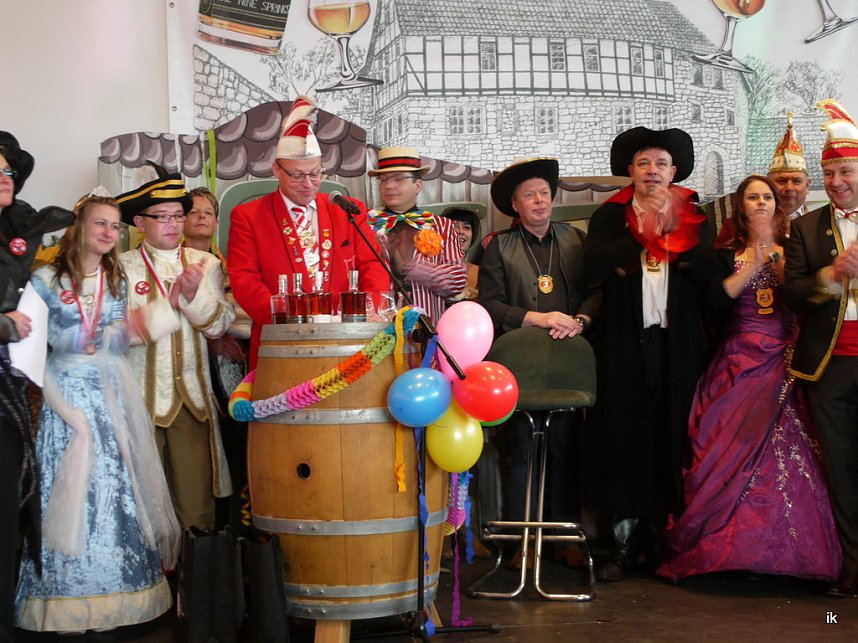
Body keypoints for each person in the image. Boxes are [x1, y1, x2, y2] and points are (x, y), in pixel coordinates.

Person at [657, 175, 841, 583]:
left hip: (786, 358)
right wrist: (754, 258)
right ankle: (728, 549)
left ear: (779, 204)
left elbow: (800, 296)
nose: (761, 203)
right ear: (740, 206)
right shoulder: (725, 252)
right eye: (753, 197)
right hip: (738, 357)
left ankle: (789, 552)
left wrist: (775, 256)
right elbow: (718, 299)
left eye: (767, 197)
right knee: (720, 444)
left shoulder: (796, 248)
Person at [15, 191, 180, 634]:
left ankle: (122, 597)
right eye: (100, 224)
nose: (108, 233)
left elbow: (118, 338)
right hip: (64, 394)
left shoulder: (117, 280)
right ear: (80, 228)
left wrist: (169, 307)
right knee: (63, 484)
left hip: (108, 393)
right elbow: (26, 345)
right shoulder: (45, 280)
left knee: (115, 489)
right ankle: (59, 599)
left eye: (114, 226)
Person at [583, 127, 719, 581]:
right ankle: (622, 545)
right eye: (644, 164)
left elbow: (708, 275)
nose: (652, 172)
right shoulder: (610, 216)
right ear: (631, 171)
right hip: (623, 345)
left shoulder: (694, 215)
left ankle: (667, 543)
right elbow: (594, 266)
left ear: (674, 172)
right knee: (623, 439)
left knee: (672, 438)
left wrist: (676, 239)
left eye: (661, 164)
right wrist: (643, 234)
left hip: (675, 346)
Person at [478, 157, 599, 569]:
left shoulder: (575, 240)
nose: (539, 201)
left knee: (566, 447)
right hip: (517, 362)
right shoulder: (498, 247)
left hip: (566, 361)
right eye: (529, 195)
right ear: (515, 205)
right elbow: (489, 305)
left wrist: (581, 320)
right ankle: (517, 542)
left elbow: (596, 292)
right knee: (519, 451)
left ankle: (564, 538)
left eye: (544, 193)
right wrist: (538, 318)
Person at [228, 95, 389, 367]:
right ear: (276, 170)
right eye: (296, 175)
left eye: (315, 174)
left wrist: (367, 310)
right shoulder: (249, 216)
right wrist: (289, 319)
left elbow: (372, 264)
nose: (308, 184)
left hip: (346, 340)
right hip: (280, 341)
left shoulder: (348, 210)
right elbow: (244, 280)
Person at [117, 167, 235, 531]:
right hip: (138, 402)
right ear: (139, 221)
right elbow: (116, 336)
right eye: (161, 217)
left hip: (193, 403)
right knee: (143, 504)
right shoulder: (121, 267)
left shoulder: (208, 264)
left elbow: (220, 324)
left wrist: (192, 298)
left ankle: (195, 583)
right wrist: (170, 305)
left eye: (178, 216)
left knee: (196, 507)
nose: (172, 223)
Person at [0, 132, 74, 642]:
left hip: (9, 392)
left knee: (9, 506)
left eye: (8, 172)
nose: (5, 179)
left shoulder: (17, 231)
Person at [784, 98, 858, 598]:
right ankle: (854, 567)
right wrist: (831, 277)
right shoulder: (807, 228)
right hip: (830, 366)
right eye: (829, 173)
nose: (836, 182)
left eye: (845, 171)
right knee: (844, 469)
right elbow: (790, 292)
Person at [183, 187, 251, 529]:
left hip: (235, 361)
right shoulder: (172, 261)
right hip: (191, 364)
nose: (200, 218)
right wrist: (211, 340)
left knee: (236, 440)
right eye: (193, 212)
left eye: (207, 213)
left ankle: (237, 527)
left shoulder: (228, 263)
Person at [367, 147, 466, 322]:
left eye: (398, 179)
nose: (389, 186)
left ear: (417, 185)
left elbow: (457, 281)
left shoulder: (442, 225)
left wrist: (411, 269)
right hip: (377, 332)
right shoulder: (367, 225)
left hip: (425, 334)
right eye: (383, 180)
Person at [712, 113, 814, 246]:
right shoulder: (734, 226)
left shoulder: (819, 224)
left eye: (796, 181)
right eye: (781, 181)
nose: (789, 187)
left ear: (808, 185)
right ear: (769, 184)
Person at [440, 205, 483, 302]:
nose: (460, 231)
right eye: (454, 226)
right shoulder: (429, 271)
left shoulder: (482, 273)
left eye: (466, 227)